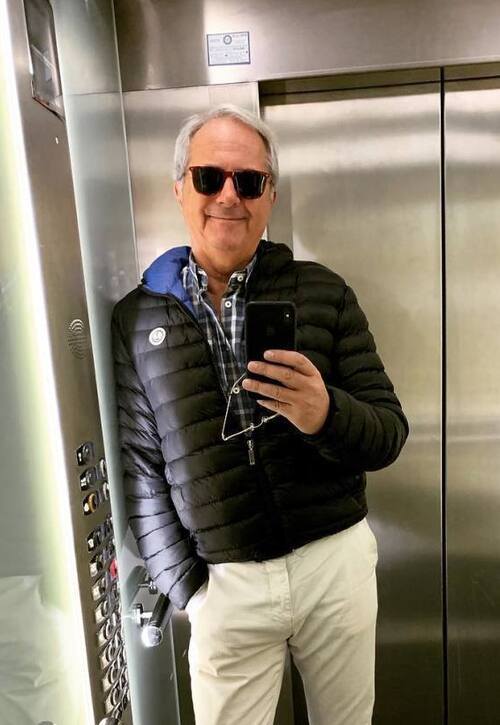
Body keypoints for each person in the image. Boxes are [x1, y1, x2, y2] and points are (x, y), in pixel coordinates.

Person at [112, 104, 409, 725]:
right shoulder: (137, 319)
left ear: (270, 195)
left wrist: (325, 413)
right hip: (222, 582)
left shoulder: (323, 292)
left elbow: (388, 432)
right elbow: (140, 465)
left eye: (249, 181)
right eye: (209, 178)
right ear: (179, 188)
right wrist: (187, 587)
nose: (229, 196)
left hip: (332, 563)